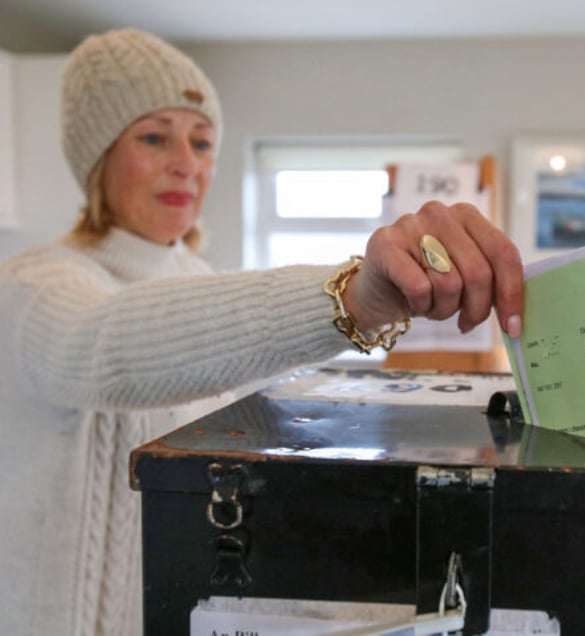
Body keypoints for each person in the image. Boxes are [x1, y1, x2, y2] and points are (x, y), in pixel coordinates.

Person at [0, 28, 524, 636]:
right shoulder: (30, 286)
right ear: (96, 156)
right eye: (153, 137)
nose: (185, 164)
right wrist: (353, 295)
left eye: (201, 142)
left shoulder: (204, 285)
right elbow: (101, 345)